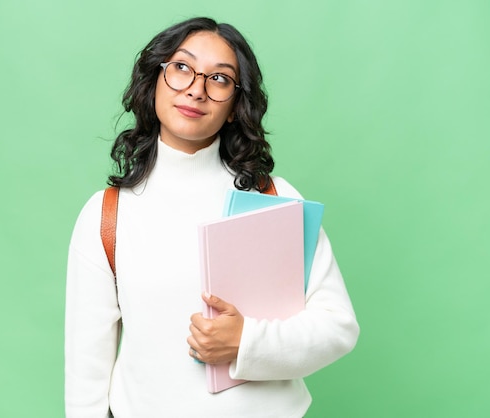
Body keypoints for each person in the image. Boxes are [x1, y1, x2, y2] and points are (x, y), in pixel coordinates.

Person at [65, 17, 359, 418]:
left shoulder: (275, 198)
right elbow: (87, 371)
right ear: (155, 80)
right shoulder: (107, 214)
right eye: (181, 68)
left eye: (219, 79)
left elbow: (337, 327)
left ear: (237, 106)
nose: (196, 89)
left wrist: (245, 341)